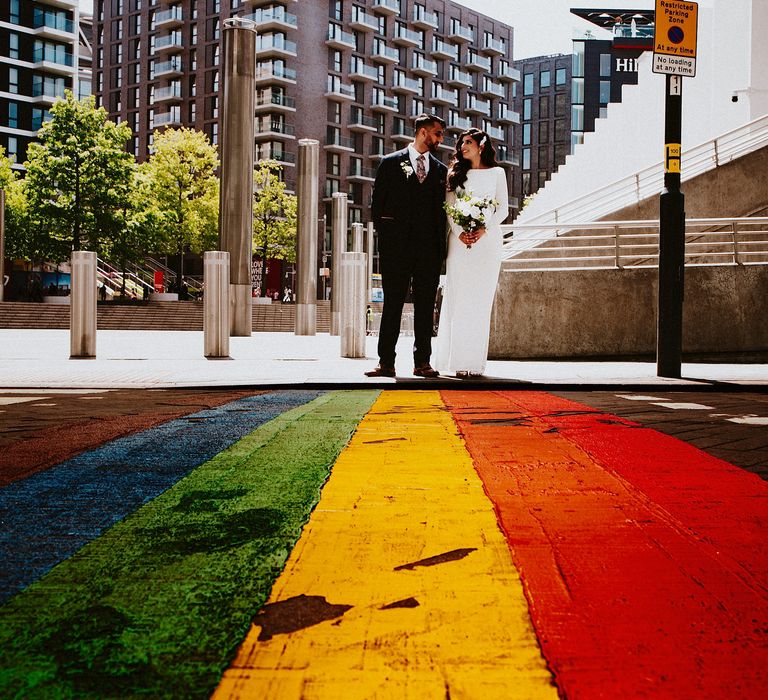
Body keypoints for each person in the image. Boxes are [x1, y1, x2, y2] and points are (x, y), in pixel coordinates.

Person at [365, 113, 448, 378]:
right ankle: (385, 362)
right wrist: (389, 240)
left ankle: (422, 362)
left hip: (428, 253)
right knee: (393, 304)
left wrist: (439, 251)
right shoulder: (390, 163)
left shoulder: (440, 171)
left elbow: (442, 213)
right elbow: (377, 207)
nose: (440, 139)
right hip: (396, 250)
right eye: (437, 134)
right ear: (423, 133)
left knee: (425, 308)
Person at [435, 128, 509, 378]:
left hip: (487, 244)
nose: (462, 146)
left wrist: (482, 229)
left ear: (481, 145)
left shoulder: (498, 173)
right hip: (460, 243)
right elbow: (449, 208)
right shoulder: (455, 174)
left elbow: (503, 210)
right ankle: (454, 361)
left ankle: (474, 363)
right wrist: (461, 232)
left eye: (468, 142)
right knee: (459, 298)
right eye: (461, 143)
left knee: (479, 302)